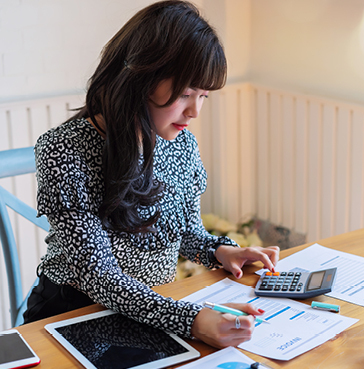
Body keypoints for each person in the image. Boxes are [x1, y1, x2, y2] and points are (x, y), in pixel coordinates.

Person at [23, 0, 279, 349]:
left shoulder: (181, 143)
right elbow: (98, 277)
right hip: (73, 315)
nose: (195, 111)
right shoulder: (64, 149)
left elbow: (183, 229)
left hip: (153, 311)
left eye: (203, 95)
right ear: (140, 77)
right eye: (186, 93)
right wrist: (191, 319)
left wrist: (220, 250)